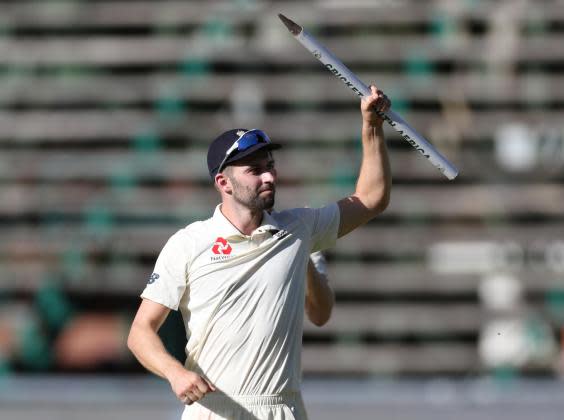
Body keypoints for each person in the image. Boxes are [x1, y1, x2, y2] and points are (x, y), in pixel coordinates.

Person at [127, 85, 391, 419]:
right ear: (224, 183)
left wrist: (371, 127)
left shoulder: (299, 227)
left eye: (270, 165)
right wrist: (175, 373)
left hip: (281, 409)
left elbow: (372, 198)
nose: (269, 176)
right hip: (215, 410)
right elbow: (140, 332)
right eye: (255, 170)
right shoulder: (189, 243)